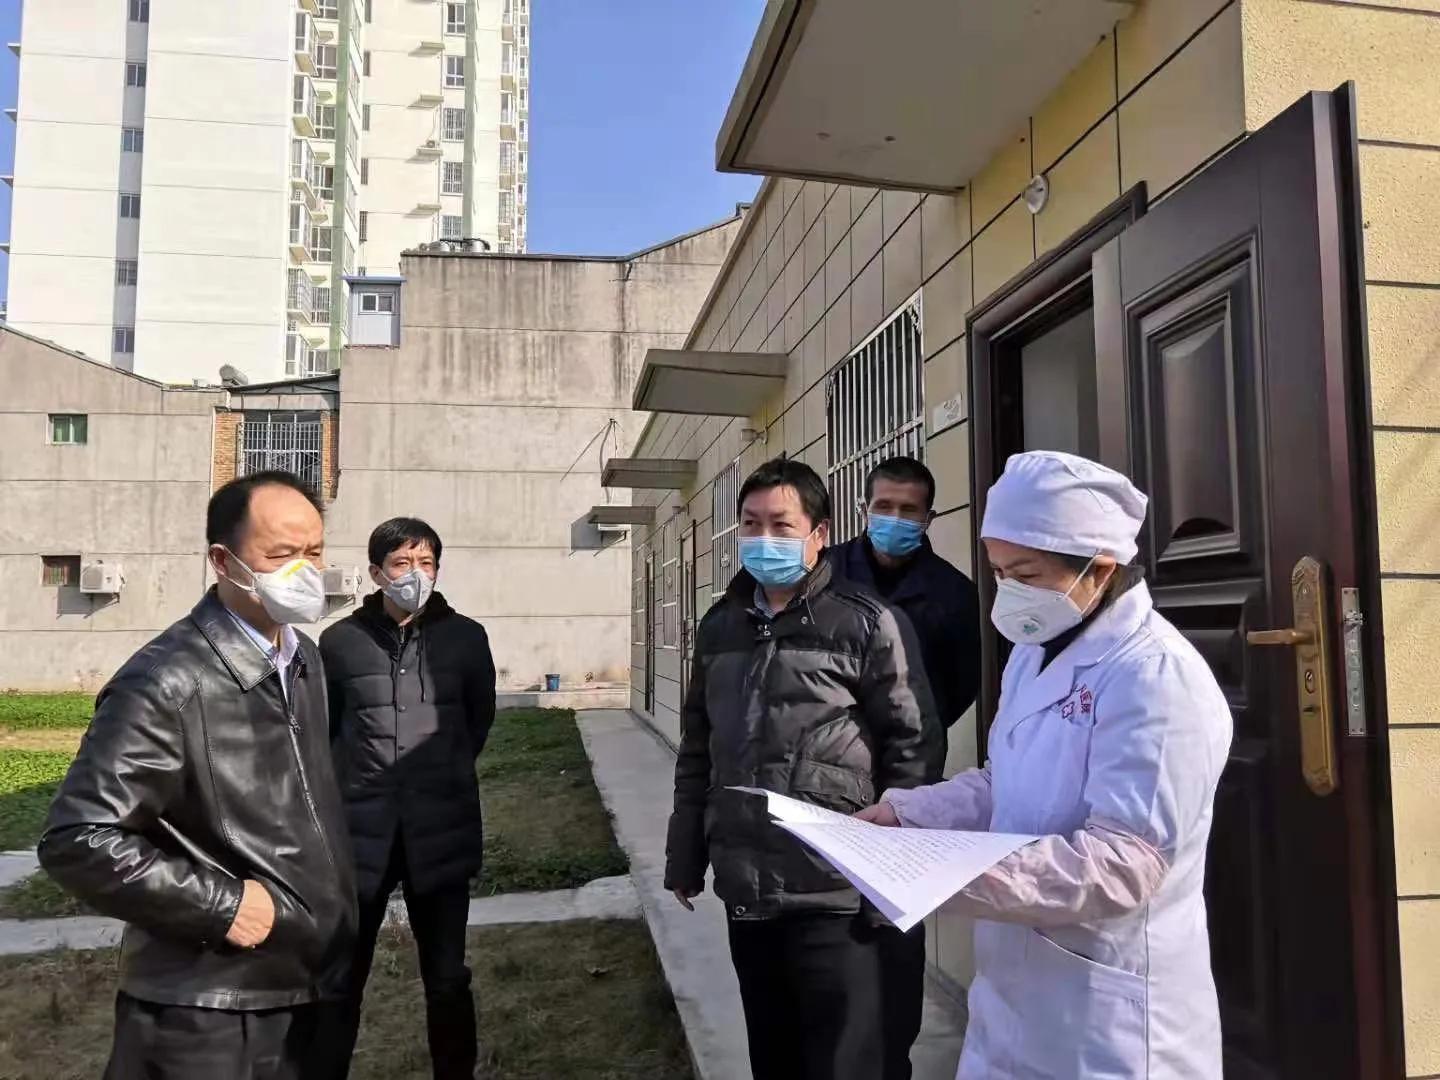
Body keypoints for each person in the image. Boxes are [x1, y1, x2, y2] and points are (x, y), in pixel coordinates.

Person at [856, 450, 1232, 1078]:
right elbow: (1004, 779)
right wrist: (905, 816)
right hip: (1013, 996)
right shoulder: (1034, 651)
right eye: (999, 571)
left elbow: (1124, 865)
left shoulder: (1155, 677)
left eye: (1025, 573)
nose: (1008, 591)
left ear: (1099, 568)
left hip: (1108, 1016)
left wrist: (939, 871)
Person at [38, 471, 356, 1080]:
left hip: (306, 989)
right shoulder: (166, 681)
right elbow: (78, 838)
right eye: (281, 555)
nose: (304, 571)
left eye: (314, 552)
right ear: (223, 561)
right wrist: (222, 906)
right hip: (211, 1009)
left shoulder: (303, 659)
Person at [665, 456, 941, 1080]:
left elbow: (914, 752)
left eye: (781, 525)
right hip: (750, 888)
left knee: (852, 1063)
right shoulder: (721, 625)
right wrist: (686, 853)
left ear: (819, 534)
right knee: (775, 1059)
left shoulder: (869, 622)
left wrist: (891, 884)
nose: (763, 538)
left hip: (838, 892)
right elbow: (699, 746)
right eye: (751, 523)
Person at [319, 517, 496, 1080]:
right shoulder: (338, 643)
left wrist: (437, 772)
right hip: (361, 837)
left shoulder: (466, 638)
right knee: (340, 978)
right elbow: (328, 731)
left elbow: (477, 722)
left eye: (426, 563)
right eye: (401, 563)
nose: (415, 574)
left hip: (440, 829)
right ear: (376, 573)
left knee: (447, 978)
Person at [828, 454, 981, 1078]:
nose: (894, 519)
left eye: (908, 510)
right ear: (864, 509)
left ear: (929, 517)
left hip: (906, 785)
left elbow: (958, 687)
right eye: (883, 507)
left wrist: (906, 736)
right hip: (825, 777)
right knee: (821, 927)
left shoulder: (953, 595)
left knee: (892, 928)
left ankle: (893, 1062)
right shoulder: (823, 574)